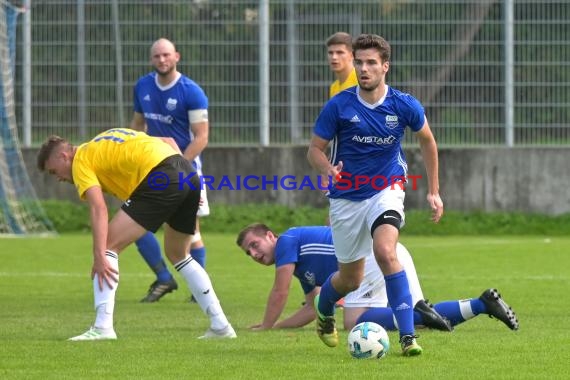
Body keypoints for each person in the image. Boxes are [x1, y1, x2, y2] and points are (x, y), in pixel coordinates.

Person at [307, 33, 444, 356]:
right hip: (345, 199)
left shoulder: (404, 104)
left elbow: (428, 141)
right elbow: (314, 149)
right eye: (360, 62)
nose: (364, 68)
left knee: (385, 251)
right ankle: (325, 309)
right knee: (350, 279)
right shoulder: (339, 105)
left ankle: (408, 337)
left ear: (385, 67)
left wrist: (434, 191)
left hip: (387, 188)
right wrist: (327, 168)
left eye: (371, 63)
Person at [37, 128, 236, 340]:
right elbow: (167, 139)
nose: (57, 178)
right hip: (187, 173)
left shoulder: (81, 161)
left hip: (161, 175)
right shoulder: (104, 140)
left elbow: (98, 208)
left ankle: (102, 328)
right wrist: (188, 179)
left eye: (53, 171)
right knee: (178, 254)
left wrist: (99, 257)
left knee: (107, 247)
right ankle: (221, 325)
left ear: (63, 156)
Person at [236, 224, 519, 332]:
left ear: (270, 236)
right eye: (248, 252)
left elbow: (279, 292)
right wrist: (278, 327)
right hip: (388, 252)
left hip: (372, 258)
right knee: (415, 313)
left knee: (352, 321)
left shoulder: (288, 241)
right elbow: (316, 308)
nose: (253, 254)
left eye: (255, 245)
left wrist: (266, 326)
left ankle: (418, 317)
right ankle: (481, 304)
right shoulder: (303, 268)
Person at [131, 37, 211, 303]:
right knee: (135, 224)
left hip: (184, 171)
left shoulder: (191, 91)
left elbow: (201, 137)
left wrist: (178, 164)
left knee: (191, 233)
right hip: (152, 170)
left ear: (176, 56)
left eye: (166, 55)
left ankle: (196, 289)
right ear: (151, 59)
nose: (162, 60)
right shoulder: (142, 86)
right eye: (157, 56)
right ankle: (164, 278)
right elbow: (137, 127)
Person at [326, 32, 358, 98]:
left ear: (352, 55)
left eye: (340, 52)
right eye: (330, 53)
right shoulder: (334, 87)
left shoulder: (360, 81)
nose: (334, 57)